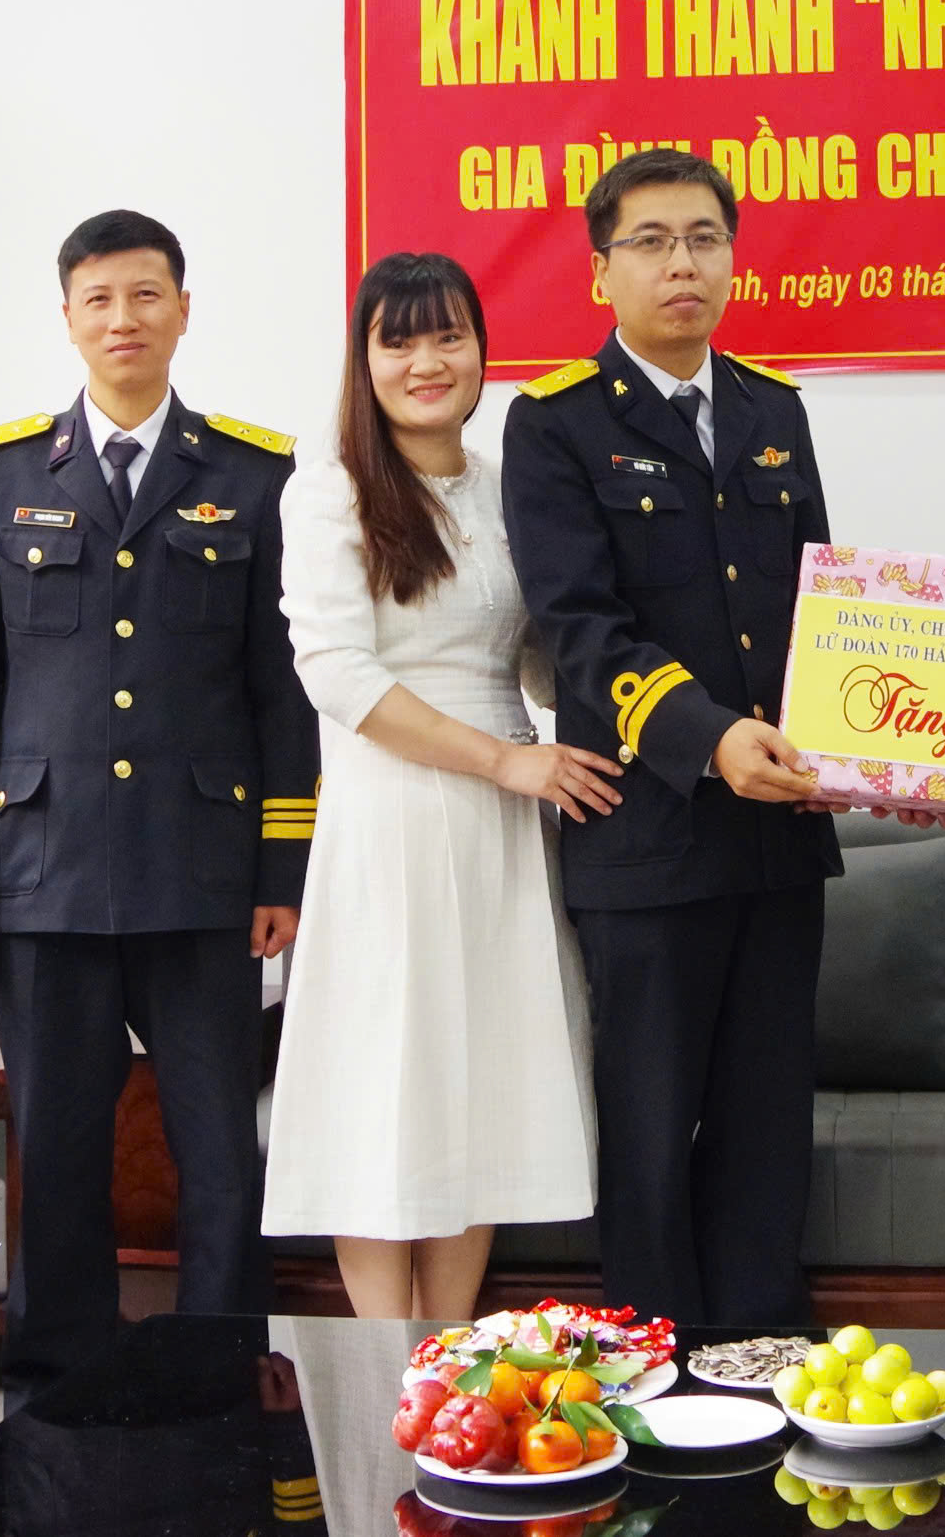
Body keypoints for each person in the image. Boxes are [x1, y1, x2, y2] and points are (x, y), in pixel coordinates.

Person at [0, 209, 317, 1398]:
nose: (123, 319)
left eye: (146, 295)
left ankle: (220, 1366)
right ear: (68, 318)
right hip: (45, 871)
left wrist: (281, 871)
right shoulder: (0, 472)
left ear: (184, 310)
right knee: (57, 1144)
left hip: (203, 874)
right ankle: (57, 1382)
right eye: (98, 299)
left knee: (219, 1146)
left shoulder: (253, 473)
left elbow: (279, 690)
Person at [500, 148, 840, 1325]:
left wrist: (869, 739)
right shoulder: (554, 424)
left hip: (778, 839)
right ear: (601, 272)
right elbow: (580, 630)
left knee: (766, 1127)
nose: (680, 262)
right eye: (649, 241)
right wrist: (711, 738)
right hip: (647, 833)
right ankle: (655, 1376)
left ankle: (758, 1365)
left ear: (732, 258)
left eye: (702, 237)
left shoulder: (772, 409)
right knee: (648, 1137)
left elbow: (822, 612)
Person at [259, 251, 608, 1318]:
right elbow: (337, 675)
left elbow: (544, 657)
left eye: (447, 335)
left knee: (478, 1090)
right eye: (398, 340)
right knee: (385, 1091)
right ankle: (386, 1366)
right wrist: (505, 759)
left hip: (505, 822)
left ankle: (448, 1352)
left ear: (482, 349)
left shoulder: (509, 487)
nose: (426, 362)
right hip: (394, 815)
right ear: (363, 360)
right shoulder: (330, 490)